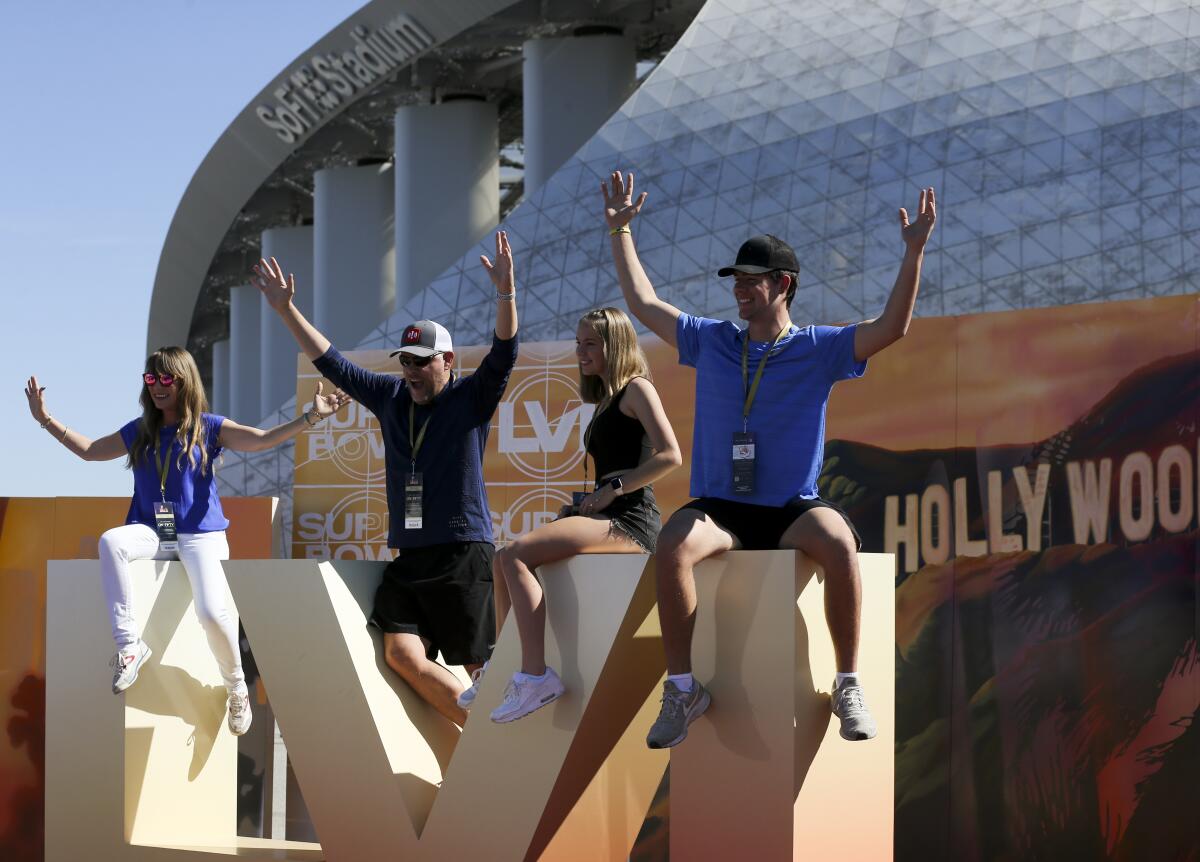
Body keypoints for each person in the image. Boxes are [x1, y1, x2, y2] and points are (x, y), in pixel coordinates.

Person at [602, 170, 937, 748]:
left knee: (838, 542)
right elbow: (642, 302)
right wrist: (621, 231)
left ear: (783, 284)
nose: (738, 289)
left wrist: (914, 252)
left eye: (750, 280)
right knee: (673, 546)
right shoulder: (712, 340)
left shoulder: (818, 347)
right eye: (735, 279)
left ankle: (849, 685)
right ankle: (682, 689)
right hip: (721, 508)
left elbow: (892, 328)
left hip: (789, 507)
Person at [252, 231, 519, 727]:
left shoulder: (470, 399)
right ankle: (475, 739)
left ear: (448, 362)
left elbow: (504, 353)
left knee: (480, 666)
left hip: (462, 552)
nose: (412, 371)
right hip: (410, 556)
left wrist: (506, 293)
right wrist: (287, 310)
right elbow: (332, 361)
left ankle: (496, 746)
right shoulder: (392, 396)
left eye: (422, 362)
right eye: (405, 361)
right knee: (400, 654)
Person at [24, 347, 349, 735]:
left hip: (201, 535)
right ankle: (129, 646)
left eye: (166, 379)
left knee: (211, 613)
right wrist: (45, 419)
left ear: (183, 381)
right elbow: (92, 451)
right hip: (154, 531)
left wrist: (311, 416)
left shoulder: (209, 427)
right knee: (112, 542)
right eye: (151, 379)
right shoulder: (140, 430)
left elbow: (262, 440)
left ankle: (236, 687)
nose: (157, 386)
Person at [482, 306, 682, 723]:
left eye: (590, 343)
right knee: (503, 560)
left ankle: (534, 676)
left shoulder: (636, 389)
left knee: (517, 553)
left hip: (631, 522)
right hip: (608, 514)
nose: (581, 351)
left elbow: (671, 455)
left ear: (616, 345)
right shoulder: (608, 399)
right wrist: (585, 504)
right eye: (578, 343)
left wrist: (613, 489)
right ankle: (504, 668)